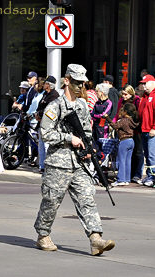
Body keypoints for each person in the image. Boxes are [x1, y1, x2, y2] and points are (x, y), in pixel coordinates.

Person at [34, 63, 115, 256]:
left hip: (79, 163)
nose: (80, 87)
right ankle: (43, 235)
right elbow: (46, 133)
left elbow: (86, 131)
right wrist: (69, 138)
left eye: (83, 83)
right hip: (58, 163)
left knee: (87, 199)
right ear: (67, 80)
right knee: (51, 201)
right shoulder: (55, 106)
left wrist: (88, 148)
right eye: (76, 82)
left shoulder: (82, 106)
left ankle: (96, 238)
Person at [106, 104, 136, 187]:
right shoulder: (131, 120)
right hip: (131, 141)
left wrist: (107, 118)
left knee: (121, 160)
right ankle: (126, 179)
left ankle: (121, 179)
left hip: (124, 141)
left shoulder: (123, 120)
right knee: (128, 161)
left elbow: (115, 126)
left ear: (125, 112)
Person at [138, 74, 155, 186]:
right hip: (144, 129)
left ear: (152, 83)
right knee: (147, 154)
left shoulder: (154, 96)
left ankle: (153, 177)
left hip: (151, 130)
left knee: (151, 155)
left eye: (145, 83)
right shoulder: (144, 97)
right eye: (143, 84)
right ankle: (149, 175)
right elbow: (141, 113)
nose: (143, 86)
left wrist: (154, 128)